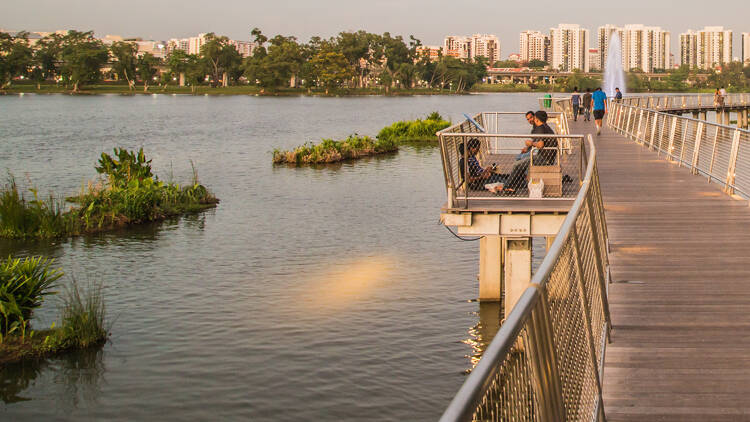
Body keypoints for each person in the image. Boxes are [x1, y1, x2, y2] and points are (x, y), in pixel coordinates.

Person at [506, 111, 557, 190]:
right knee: (521, 163)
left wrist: (531, 143)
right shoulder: (546, 127)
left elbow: (540, 145)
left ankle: (506, 186)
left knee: (517, 165)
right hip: (546, 158)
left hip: (544, 159)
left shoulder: (541, 128)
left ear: (536, 119)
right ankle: (513, 185)